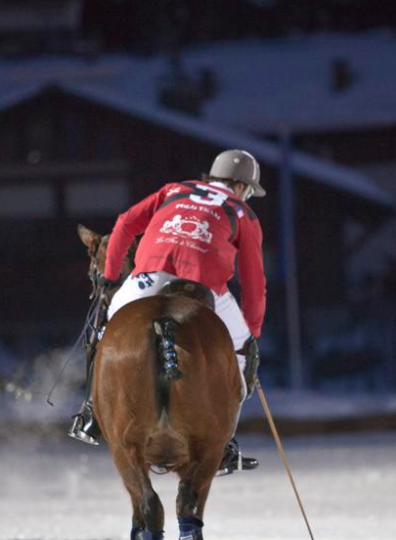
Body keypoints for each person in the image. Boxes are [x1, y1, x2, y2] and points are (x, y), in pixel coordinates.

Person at [69, 149, 266, 476]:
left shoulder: (175, 190)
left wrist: (112, 274)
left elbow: (125, 223)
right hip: (204, 285)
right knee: (243, 353)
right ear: (243, 186)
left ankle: (91, 412)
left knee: (105, 330)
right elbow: (254, 281)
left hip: (148, 277)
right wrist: (252, 332)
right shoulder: (243, 213)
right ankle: (224, 444)